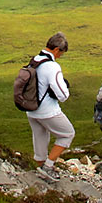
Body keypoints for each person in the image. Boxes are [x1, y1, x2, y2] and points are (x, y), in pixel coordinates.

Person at [26, 32, 75, 183]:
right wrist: (65, 89)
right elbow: (62, 95)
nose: (60, 56)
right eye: (61, 53)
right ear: (56, 50)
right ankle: (48, 166)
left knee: (40, 136)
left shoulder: (34, 60)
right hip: (47, 110)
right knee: (67, 133)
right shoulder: (52, 66)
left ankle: (40, 170)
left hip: (30, 109)